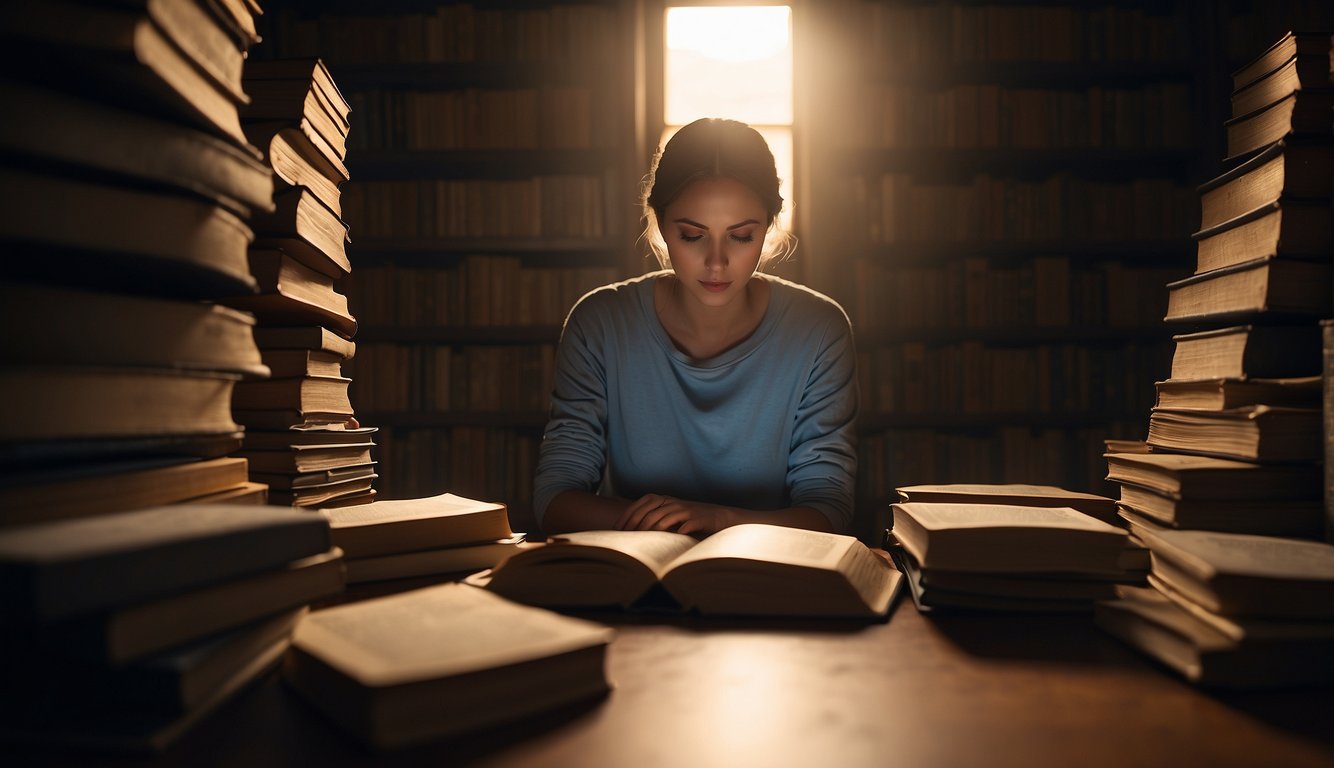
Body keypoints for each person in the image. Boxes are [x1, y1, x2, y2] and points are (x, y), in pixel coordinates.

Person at [533, 117, 858, 537]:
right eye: (692, 235)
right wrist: (674, 526)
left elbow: (828, 509)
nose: (717, 261)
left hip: (771, 580)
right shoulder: (600, 323)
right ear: (661, 224)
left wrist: (720, 520)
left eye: (741, 236)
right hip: (631, 579)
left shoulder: (817, 330)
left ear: (769, 226)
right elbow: (554, 497)